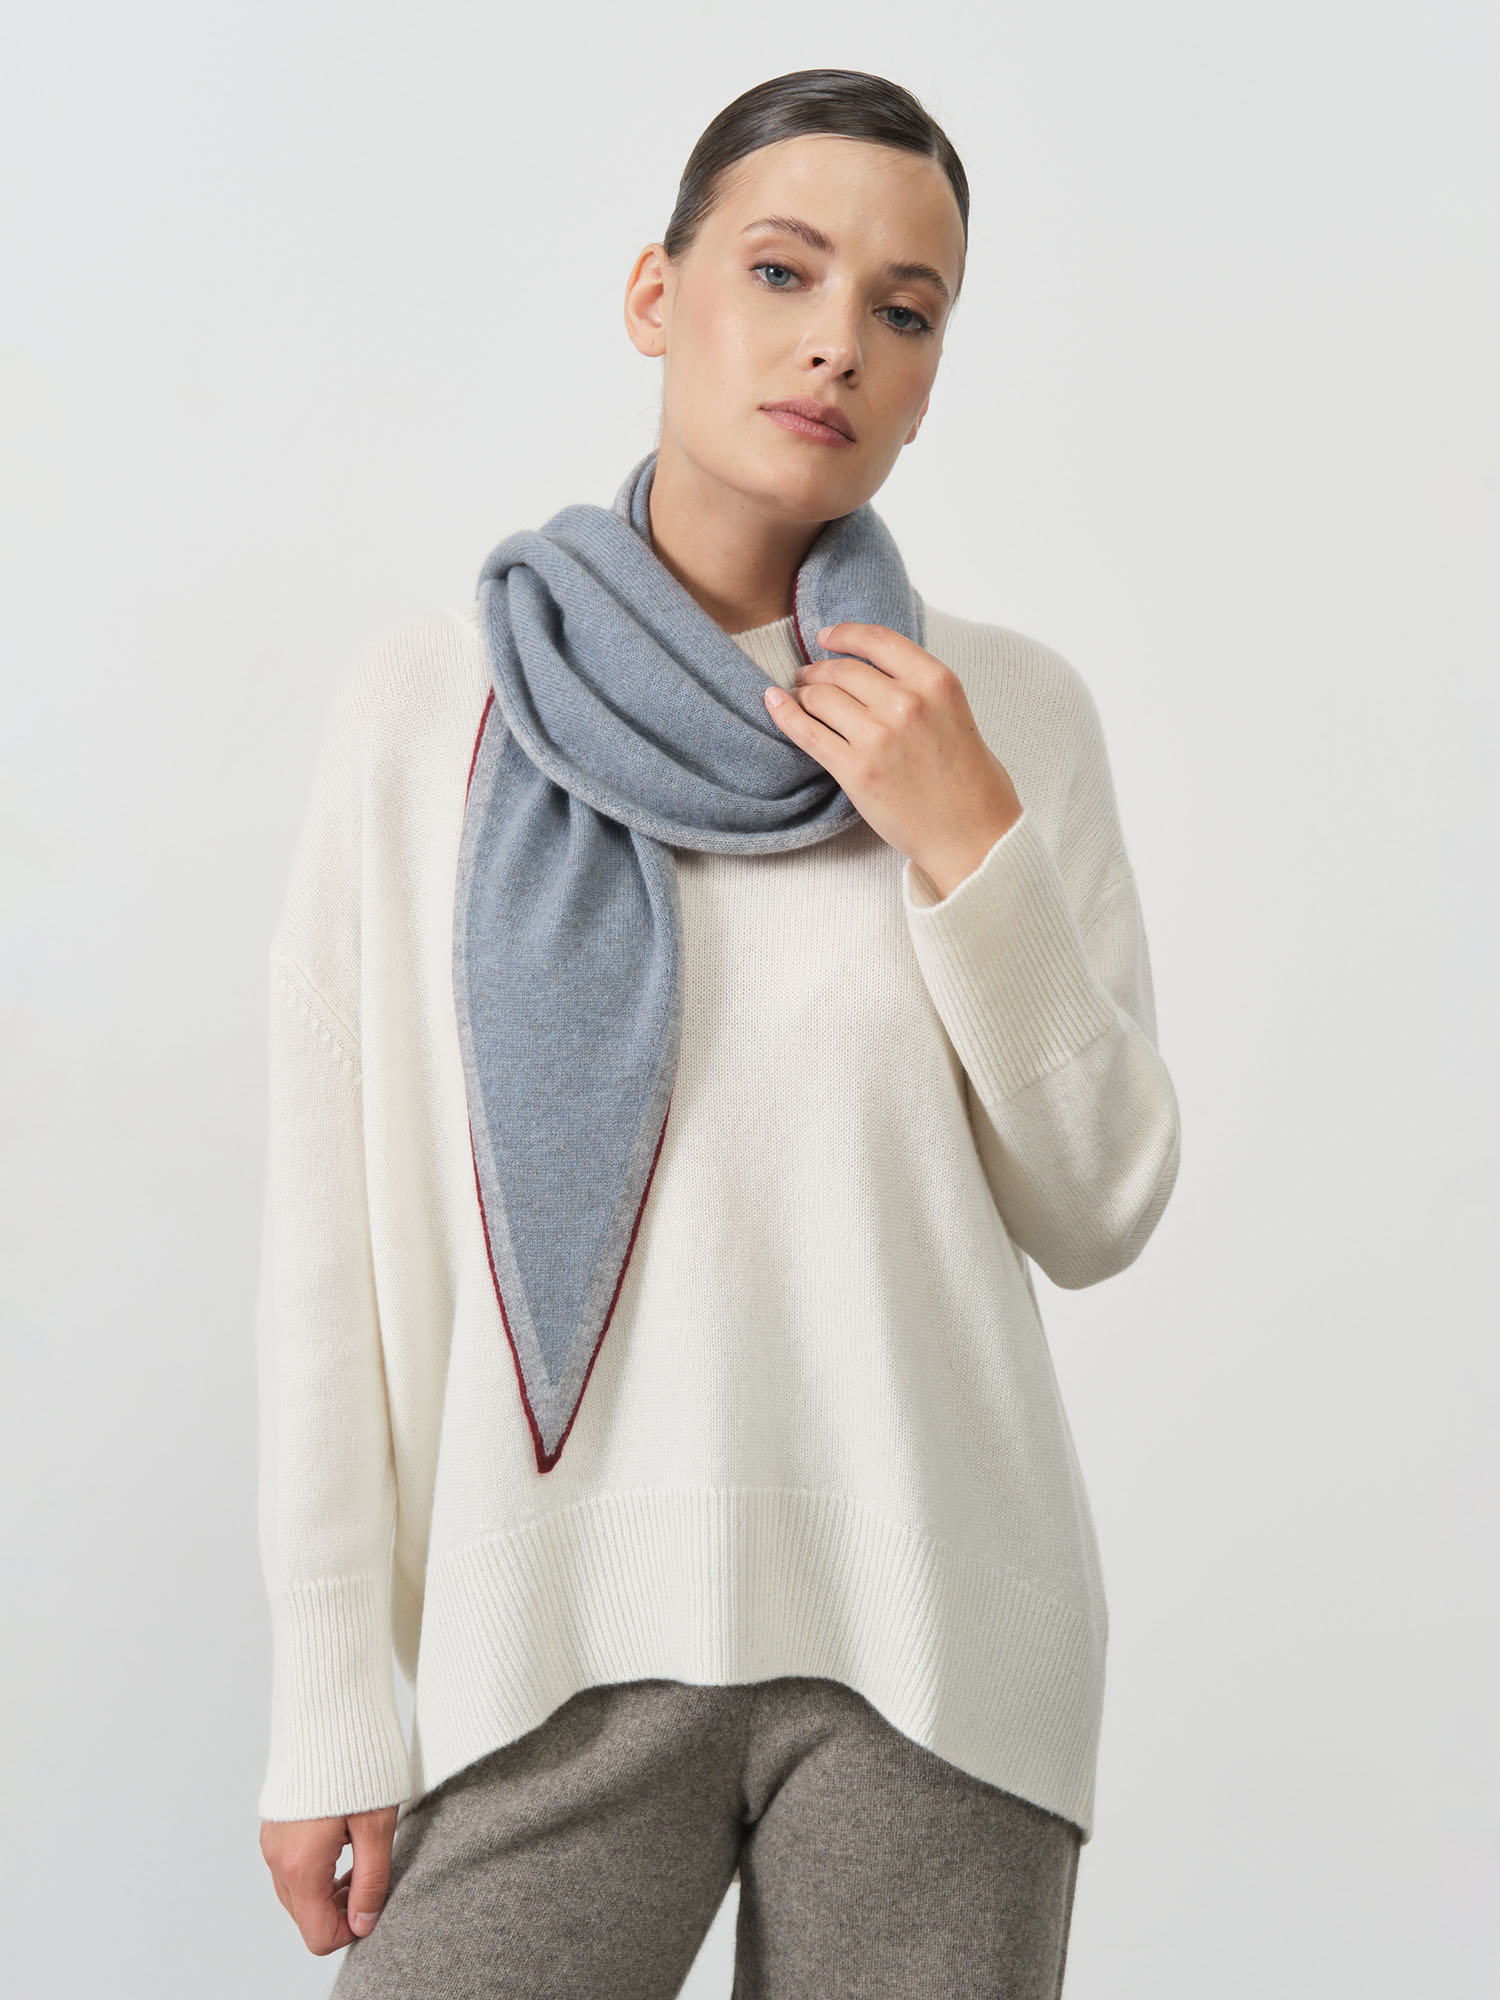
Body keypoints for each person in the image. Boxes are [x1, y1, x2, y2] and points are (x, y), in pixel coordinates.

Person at [255, 66, 1181, 1999]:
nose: (838, 340)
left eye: (903, 309)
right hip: (552, 1644)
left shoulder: (1003, 717)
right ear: (655, 294)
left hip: (943, 1646)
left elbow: (1100, 1204)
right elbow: (325, 1235)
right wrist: (331, 1692)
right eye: (782, 269)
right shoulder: (435, 707)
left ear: (930, 374)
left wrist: (966, 844)